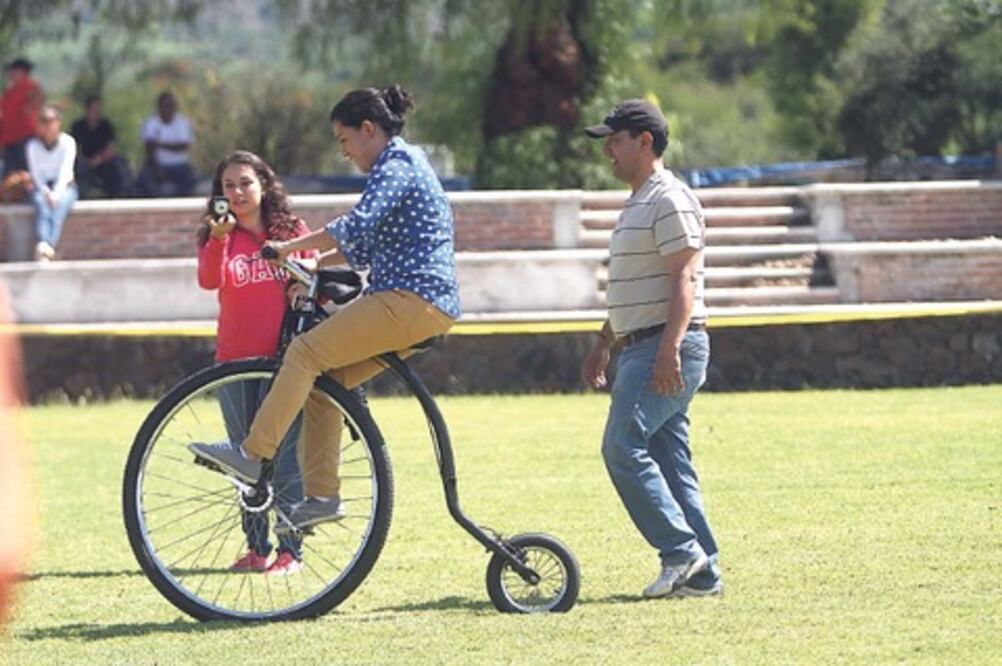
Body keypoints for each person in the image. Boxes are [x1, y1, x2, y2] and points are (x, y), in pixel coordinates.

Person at [191, 85, 461, 532]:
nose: (345, 153)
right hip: (419, 304)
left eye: (344, 141)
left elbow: (353, 226)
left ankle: (251, 455)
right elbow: (363, 248)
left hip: (411, 300)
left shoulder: (398, 164)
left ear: (368, 130)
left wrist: (290, 247)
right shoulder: (402, 166)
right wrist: (307, 262)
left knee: (304, 353)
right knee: (324, 381)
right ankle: (322, 496)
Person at [580, 99, 722, 599]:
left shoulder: (669, 198)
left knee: (621, 447)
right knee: (669, 460)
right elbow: (632, 287)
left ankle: (681, 553)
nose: (608, 153)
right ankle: (702, 575)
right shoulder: (640, 200)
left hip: (664, 344)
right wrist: (604, 343)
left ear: (645, 141)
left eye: (615, 141)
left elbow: (683, 276)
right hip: (642, 343)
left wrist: (669, 351)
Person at [197, 150, 316, 575]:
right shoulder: (218, 236)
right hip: (233, 362)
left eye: (245, 182)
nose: (238, 192)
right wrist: (218, 238)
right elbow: (210, 280)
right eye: (228, 186)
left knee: (283, 456)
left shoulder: (289, 231)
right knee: (243, 460)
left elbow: (310, 280)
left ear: (264, 184)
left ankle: (291, 550)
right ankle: (256, 547)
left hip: (286, 364)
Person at [26, 106, 77, 261]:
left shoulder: (68, 143)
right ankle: (46, 247)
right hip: (41, 186)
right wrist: (46, 192)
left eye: (51, 121)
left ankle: (46, 245)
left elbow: (65, 170)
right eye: (44, 122)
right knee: (42, 206)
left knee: (60, 207)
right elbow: (36, 174)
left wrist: (56, 193)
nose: (48, 126)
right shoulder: (32, 146)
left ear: (58, 123)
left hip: (65, 185)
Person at [135, 91, 196, 197]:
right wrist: (157, 168)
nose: (167, 108)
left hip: (179, 165)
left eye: (170, 105)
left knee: (190, 181)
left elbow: (183, 146)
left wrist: (159, 144)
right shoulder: (150, 122)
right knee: (143, 180)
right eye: (164, 105)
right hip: (156, 165)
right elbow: (149, 149)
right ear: (158, 107)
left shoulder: (182, 123)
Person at [71, 95, 131, 197]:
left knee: (118, 164)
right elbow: (74, 148)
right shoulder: (78, 127)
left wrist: (98, 159)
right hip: (84, 161)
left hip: (103, 161)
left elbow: (111, 147)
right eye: (94, 109)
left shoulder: (106, 126)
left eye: (98, 109)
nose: (96, 112)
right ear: (87, 110)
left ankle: (122, 195)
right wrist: (86, 161)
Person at [0, 58, 44, 177]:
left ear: (22, 71)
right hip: (9, 142)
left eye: (13, 70)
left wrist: (29, 107)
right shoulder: (10, 92)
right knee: (9, 178)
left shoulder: (30, 86)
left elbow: (37, 100)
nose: (11, 74)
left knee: (26, 175)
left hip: (25, 138)